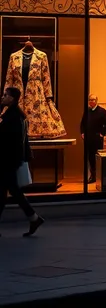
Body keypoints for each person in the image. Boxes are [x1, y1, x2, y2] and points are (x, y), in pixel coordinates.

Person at [0, 86, 44, 237]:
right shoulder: (15, 115)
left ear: (12, 98)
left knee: (9, 191)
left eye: (5, 95)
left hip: (8, 160)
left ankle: (34, 218)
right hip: (10, 159)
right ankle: (34, 218)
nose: (3, 97)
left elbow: (10, 140)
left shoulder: (12, 117)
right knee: (9, 191)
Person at [80, 95, 106, 183]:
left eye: (93, 100)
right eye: (89, 100)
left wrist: (102, 133)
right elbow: (82, 123)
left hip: (97, 138)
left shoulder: (102, 111)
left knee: (98, 157)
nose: (91, 101)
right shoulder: (87, 111)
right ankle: (92, 176)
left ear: (96, 101)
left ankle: (100, 176)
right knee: (90, 157)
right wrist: (82, 132)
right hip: (88, 138)